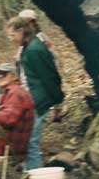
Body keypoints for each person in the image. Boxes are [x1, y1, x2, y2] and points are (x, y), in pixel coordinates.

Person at [6, 17, 64, 171]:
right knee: (27, 138)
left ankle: (36, 177)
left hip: (38, 100)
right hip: (30, 99)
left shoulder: (35, 49)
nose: (10, 39)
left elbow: (50, 76)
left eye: (12, 35)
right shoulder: (26, 48)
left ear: (21, 31)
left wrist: (58, 101)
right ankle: (29, 171)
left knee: (31, 140)